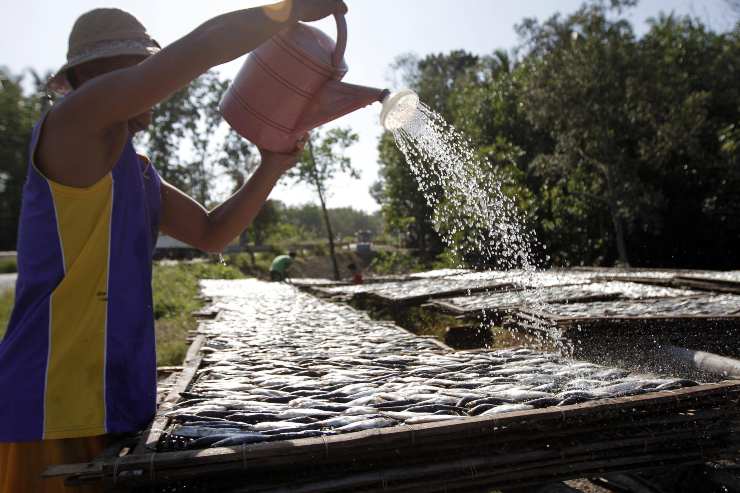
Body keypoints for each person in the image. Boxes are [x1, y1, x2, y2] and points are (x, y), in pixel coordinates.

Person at [0, 2, 347, 492]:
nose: (151, 83)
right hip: (50, 399)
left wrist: (270, 165)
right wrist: (285, 11)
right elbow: (199, 50)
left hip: (114, 393)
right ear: (90, 77)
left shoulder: (137, 171)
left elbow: (211, 233)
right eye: (136, 68)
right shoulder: (69, 124)